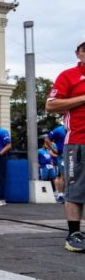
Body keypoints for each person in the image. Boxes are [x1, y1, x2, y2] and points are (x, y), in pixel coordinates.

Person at [45, 42, 85, 252]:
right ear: (78, 54)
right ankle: (74, 234)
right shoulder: (68, 76)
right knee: (75, 188)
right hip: (78, 141)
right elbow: (50, 105)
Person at [46, 123, 67, 203]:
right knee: (63, 175)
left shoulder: (75, 128)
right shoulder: (58, 130)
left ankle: (69, 194)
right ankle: (60, 195)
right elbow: (47, 139)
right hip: (63, 154)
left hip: (74, 153)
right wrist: (53, 150)